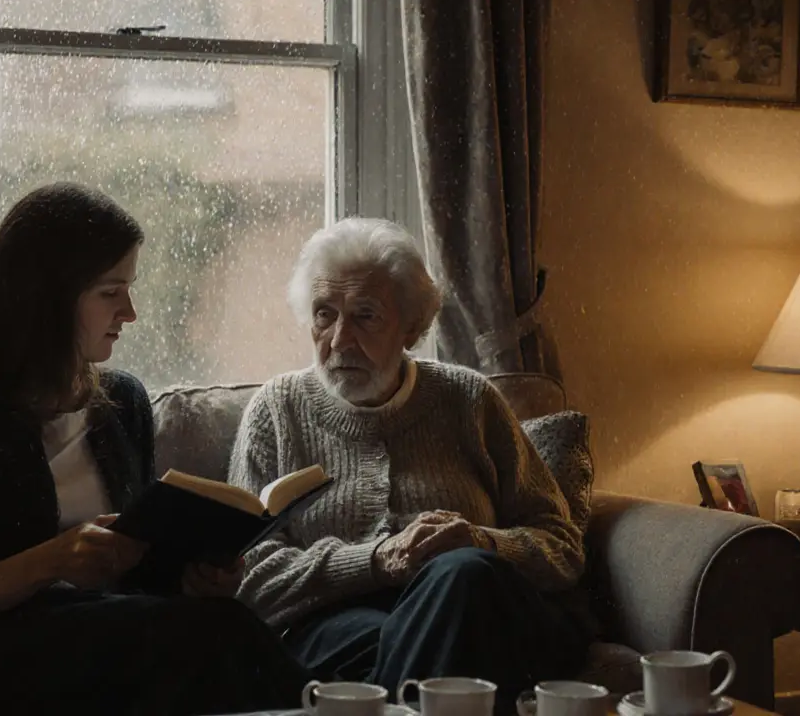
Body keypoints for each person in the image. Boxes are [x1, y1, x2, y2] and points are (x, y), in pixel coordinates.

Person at [0, 182, 311, 716]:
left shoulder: (123, 403)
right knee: (211, 638)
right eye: (110, 293)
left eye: (128, 289)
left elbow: (141, 572)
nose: (129, 312)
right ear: (48, 298)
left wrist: (195, 576)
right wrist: (53, 560)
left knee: (207, 633)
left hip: (111, 633)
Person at [228, 217, 590, 714]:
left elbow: (563, 549)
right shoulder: (276, 411)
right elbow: (250, 580)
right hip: (340, 627)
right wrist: (374, 561)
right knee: (418, 633)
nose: (338, 340)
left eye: (366, 316)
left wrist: (484, 542)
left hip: (475, 603)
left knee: (461, 576)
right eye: (324, 314)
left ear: (413, 328)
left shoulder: (470, 401)